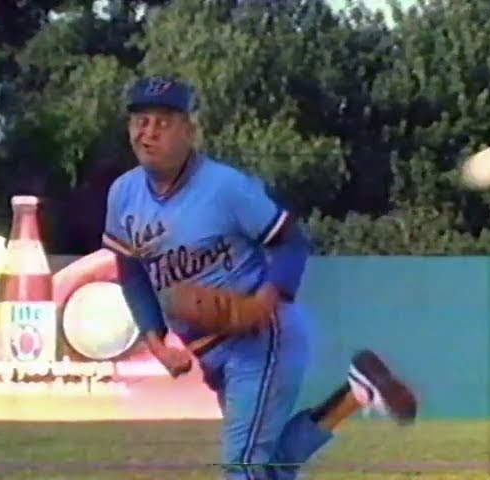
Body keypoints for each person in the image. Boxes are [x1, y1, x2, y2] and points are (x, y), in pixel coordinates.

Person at [101, 75, 417, 480]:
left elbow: (292, 242)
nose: (148, 132)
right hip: (209, 351)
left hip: (261, 338)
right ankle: (354, 393)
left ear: (189, 130)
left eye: (162, 122)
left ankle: (354, 394)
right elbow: (131, 270)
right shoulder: (123, 194)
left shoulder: (224, 187)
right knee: (269, 466)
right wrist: (155, 341)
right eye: (140, 121)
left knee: (245, 468)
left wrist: (267, 300)